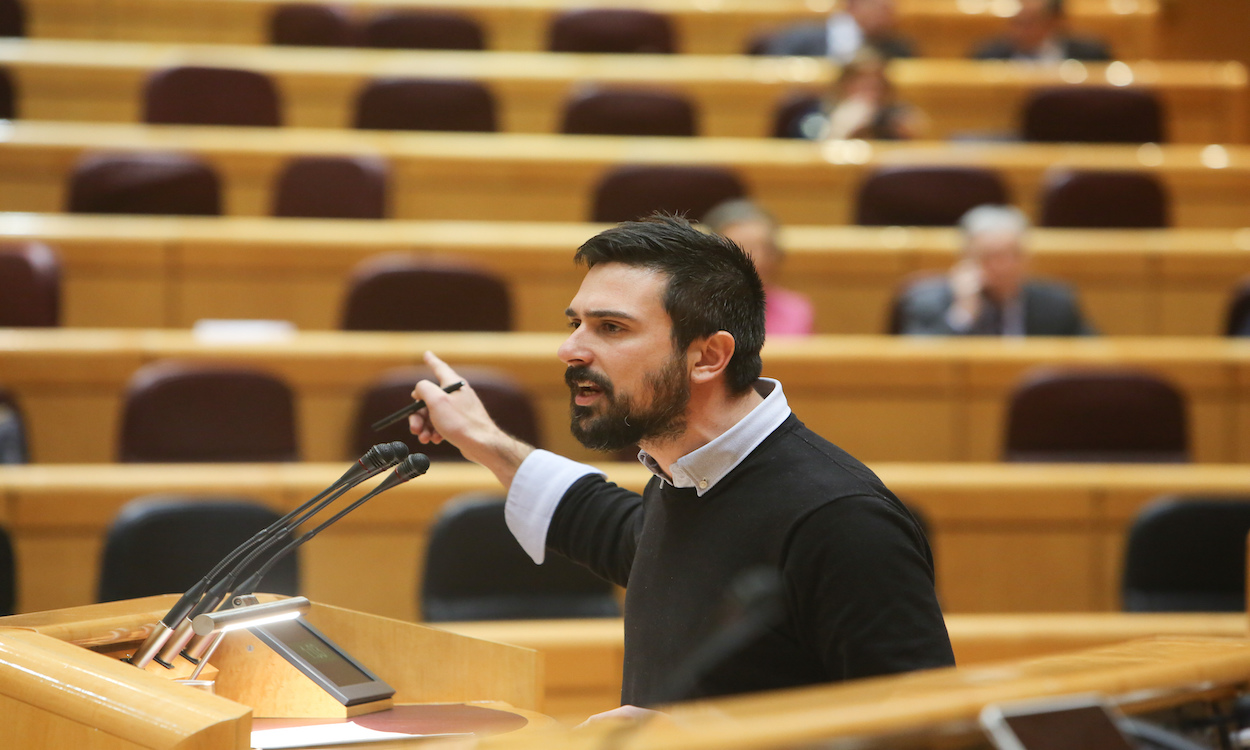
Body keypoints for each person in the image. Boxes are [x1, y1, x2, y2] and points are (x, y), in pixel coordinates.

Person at [408, 215, 955, 717]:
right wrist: (481, 439)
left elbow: (923, 733)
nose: (570, 349)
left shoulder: (842, 520)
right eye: (576, 323)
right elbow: (616, 530)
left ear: (708, 357)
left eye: (611, 328)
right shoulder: (686, 480)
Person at [896, 204, 1097, 336]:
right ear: (966, 258)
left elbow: (1093, 356)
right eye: (989, 257)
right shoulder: (928, 301)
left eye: (1011, 256)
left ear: (1026, 259)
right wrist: (963, 313)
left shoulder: (1056, 303)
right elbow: (917, 366)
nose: (1002, 267)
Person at [701, 199, 814, 336]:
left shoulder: (796, 310)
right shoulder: (694, 310)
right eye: (743, 249)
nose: (758, 259)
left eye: (766, 249)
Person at [785, 51, 927, 141]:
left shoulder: (893, 120)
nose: (871, 92)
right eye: (862, 84)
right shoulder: (814, 116)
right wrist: (840, 129)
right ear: (842, 85)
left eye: (877, 85)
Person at [759, 0, 915, 62]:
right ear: (852, 6)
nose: (886, 12)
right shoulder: (799, 39)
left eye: (889, 7)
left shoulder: (899, 49)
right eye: (876, 4)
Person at [970, 0, 1111, 63]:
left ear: (1054, 22)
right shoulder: (987, 56)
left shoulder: (1091, 55)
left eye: (1030, 23)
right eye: (1016, 23)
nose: (1019, 32)